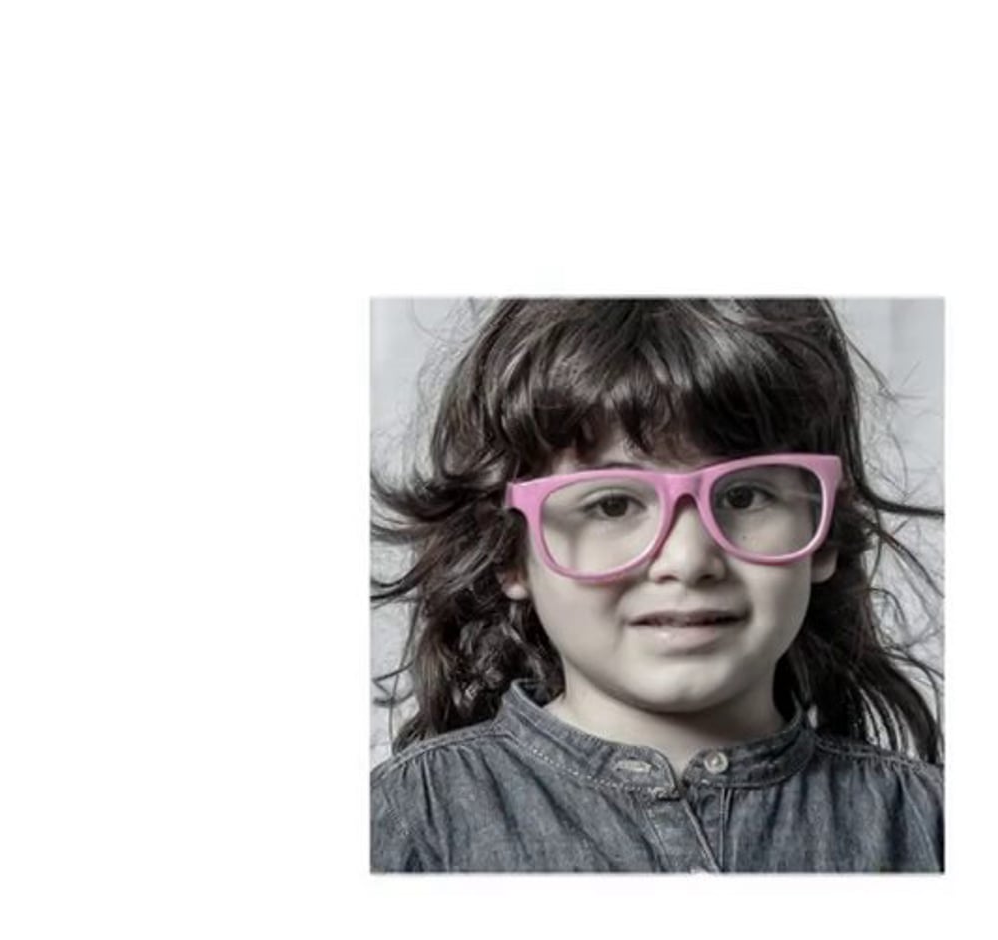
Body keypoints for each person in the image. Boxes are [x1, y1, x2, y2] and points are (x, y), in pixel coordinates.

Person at [370, 298, 943, 872]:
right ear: (509, 554)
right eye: (613, 505)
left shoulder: (928, 822)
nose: (688, 561)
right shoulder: (408, 824)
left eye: (745, 495)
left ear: (825, 532)